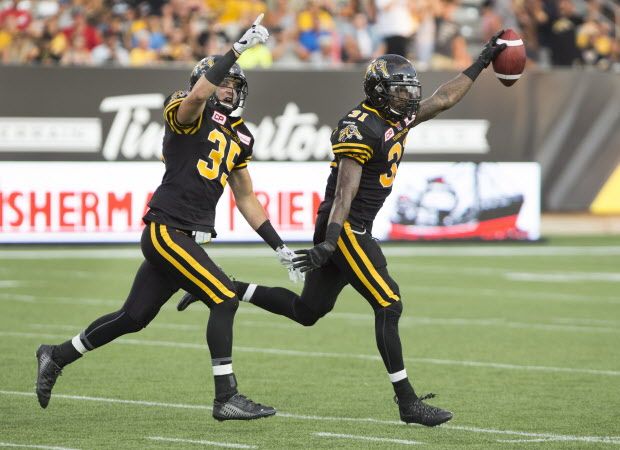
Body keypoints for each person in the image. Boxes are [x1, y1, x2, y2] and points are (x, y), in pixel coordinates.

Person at [178, 31, 507, 426]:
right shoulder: (361, 126)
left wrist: (482, 61)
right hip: (347, 227)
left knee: (307, 310)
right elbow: (344, 192)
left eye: (409, 89)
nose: (409, 97)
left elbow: (443, 98)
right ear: (379, 91)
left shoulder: (394, 118)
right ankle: (407, 403)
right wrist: (331, 241)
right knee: (389, 303)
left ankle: (229, 288)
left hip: (351, 227)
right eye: (401, 91)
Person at [35, 15, 302, 421]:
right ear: (208, 82)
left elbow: (246, 196)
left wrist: (277, 244)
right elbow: (196, 100)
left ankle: (56, 355)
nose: (228, 89)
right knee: (225, 298)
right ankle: (225, 396)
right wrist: (235, 50)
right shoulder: (186, 107)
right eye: (222, 82)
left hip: (188, 236)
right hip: (167, 228)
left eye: (234, 84)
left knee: (133, 317)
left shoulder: (241, 135)